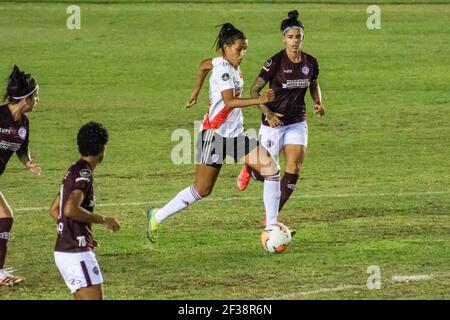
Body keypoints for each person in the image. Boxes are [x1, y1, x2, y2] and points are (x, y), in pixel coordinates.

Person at [146, 23, 281, 243]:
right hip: (214, 136)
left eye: (245, 49)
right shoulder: (224, 70)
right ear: (227, 47)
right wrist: (260, 99)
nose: (243, 54)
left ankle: (272, 227)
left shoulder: (221, 62)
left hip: (236, 136)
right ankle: (157, 216)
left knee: (272, 169)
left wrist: (196, 90)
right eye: (239, 49)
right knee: (202, 190)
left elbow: (202, 65)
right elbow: (229, 102)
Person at [237, 10, 325, 224]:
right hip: (273, 124)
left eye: (298, 37)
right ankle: (249, 168)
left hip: (297, 122)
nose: (294, 41)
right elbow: (254, 90)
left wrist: (318, 101)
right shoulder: (275, 62)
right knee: (267, 173)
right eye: (290, 37)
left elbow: (313, 84)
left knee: (293, 168)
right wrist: (268, 113)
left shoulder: (310, 62)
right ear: (283, 38)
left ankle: (271, 219)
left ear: (303, 37)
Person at [49, 122, 120, 300]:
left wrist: (77, 233)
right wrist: (104, 220)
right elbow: (69, 209)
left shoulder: (73, 170)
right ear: (102, 148)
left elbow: (54, 209)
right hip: (75, 253)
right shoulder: (84, 174)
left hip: (64, 251)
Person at [0, 65, 41, 287]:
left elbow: (21, 149)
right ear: (26, 99)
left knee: (4, 217)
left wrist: (29, 163)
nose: (38, 100)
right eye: (36, 96)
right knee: (4, 217)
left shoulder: (23, 124)